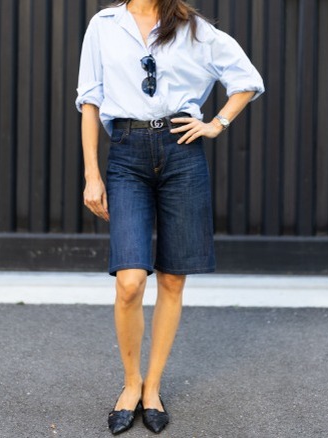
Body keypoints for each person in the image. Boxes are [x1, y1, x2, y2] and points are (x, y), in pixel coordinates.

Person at [75, 0, 263, 434]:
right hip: (126, 153)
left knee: (173, 278)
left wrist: (217, 123)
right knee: (129, 281)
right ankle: (130, 383)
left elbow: (246, 80)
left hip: (182, 155)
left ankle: (153, 386)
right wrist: (92, 174)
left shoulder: (193, 28)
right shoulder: (104, 25)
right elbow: (90, 100)